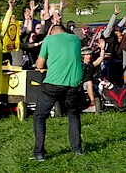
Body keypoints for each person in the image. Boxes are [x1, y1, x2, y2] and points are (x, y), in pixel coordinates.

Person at [32, 24, 85, 161]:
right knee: (73, 115)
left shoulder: (49, 40)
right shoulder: (75, 39)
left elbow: (39, 65)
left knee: (39, 116)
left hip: (54, 83)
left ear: (52, 32)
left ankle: (39, 152)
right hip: (73, 83)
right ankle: (77, 149)